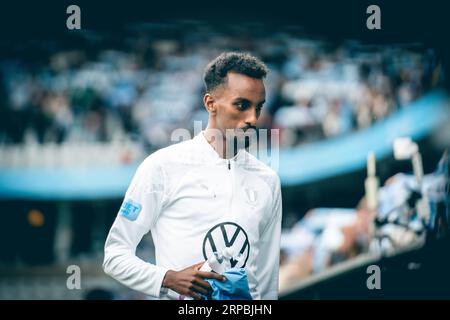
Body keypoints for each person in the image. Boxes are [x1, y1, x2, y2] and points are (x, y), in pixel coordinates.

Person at [103, 52, 282, 300]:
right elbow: (114, 255)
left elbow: (267, 283)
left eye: (258, 107)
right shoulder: (161, 167)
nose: (252, 118)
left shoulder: (268, 180)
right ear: (210, 104)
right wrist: (168, 279)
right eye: (241, 105)